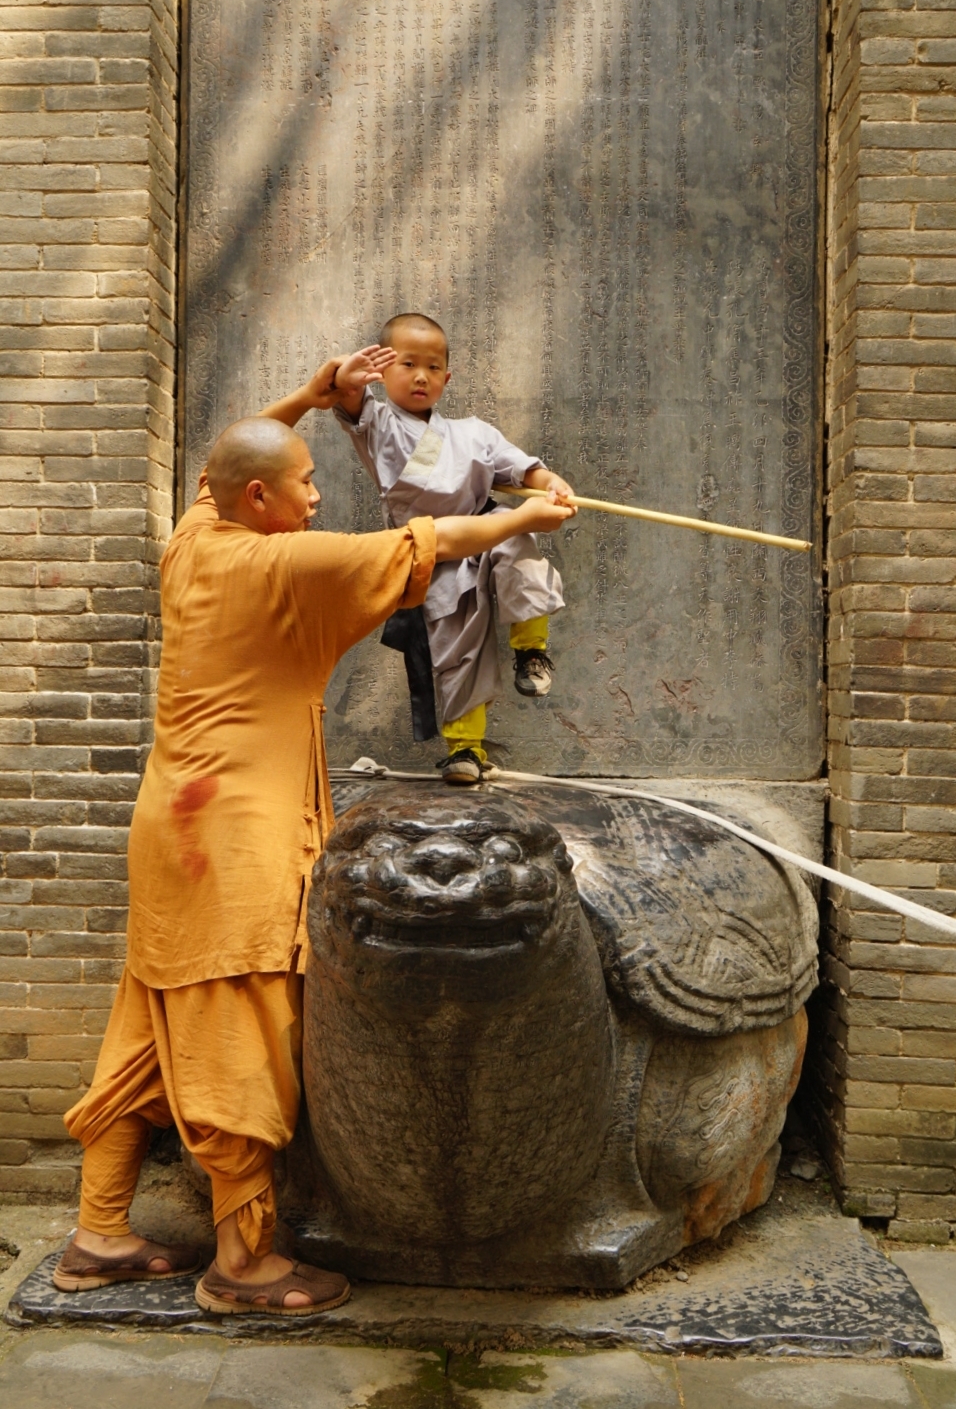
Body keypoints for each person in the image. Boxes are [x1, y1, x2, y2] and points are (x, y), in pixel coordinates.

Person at [55, 354, 576, 1318]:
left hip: (172, 826)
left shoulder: (194, 539)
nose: (320, 494)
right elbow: (432, 538)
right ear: (259, 499)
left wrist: (306, 394)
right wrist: (524, 517)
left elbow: (233, 455)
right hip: (237, 843)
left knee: (152, 1023)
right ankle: (244, 1265)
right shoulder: (284, 562)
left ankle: (97, 1233)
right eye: (304, 485)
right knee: (237, 1040)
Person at [264, 314, 574, 785]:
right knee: (457, 648)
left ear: (447, 378)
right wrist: (347, 382)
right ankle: (465, 750)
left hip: (487, 529)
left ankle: (531, 650)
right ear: (383, 373)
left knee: (519, 543)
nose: (421, 376)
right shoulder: (378, 426)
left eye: (433, 367)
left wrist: (552, 484)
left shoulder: (475, 433)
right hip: (432, 550)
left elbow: (526, 472)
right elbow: (350, 398)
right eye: (407, 364)